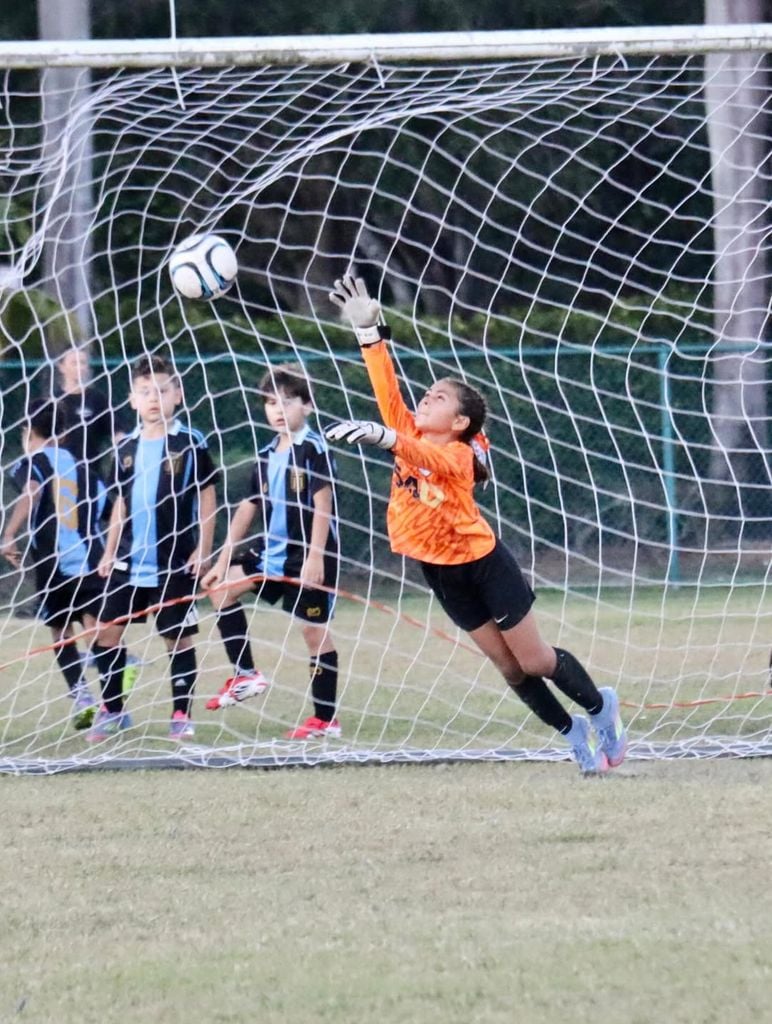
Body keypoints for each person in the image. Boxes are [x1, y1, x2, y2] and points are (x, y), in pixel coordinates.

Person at [325, 275, 628, 774]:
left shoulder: (463, 456)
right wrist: (369, 334)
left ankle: (601, 711)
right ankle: (572, 733)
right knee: (508, 668)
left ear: (461, 423)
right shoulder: (408, 433)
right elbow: (388, 390)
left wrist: (386, 437)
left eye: (439, 398)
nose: (425, 399)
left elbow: (423, 456)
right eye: (427, 394)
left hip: (484, 565)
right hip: (438, 570)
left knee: (533, 661)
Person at [202, 362, 341, 740]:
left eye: (288, 401)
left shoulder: (314, 448)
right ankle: (246, 676)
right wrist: (222, 557)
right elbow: (248, 506)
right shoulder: (266, 453)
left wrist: (315, 557)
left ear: (307, 406)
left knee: (313, 634)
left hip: (307, 556)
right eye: (270, 403)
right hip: (271, 552)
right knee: (221, 588)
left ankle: (326, 721)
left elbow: (323, 503)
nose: (279, 410)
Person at [87, 355, 218, 742]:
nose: (154, 398)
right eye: (145, 392)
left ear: (176, 395)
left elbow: (207, 496)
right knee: (106, 633)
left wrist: (204, 550)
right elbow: (120, 503)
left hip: (174, 560)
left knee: (176, 637)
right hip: (129, 559)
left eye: (162, 390)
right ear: (132, 399)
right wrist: (109, 551)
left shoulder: (190, 443)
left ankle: (180, 714)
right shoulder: (126, 447)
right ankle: (112, 710)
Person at [0, 400, 104, 729]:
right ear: (63, 431)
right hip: (92, 558)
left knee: (61, 630)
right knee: (95, 629)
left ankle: (82, 694)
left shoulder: (34, 462)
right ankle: (114, 703)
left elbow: (31, 491)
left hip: (55, 561)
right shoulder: (81, 464)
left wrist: (10, 533)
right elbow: (104, 502)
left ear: (26, 431)